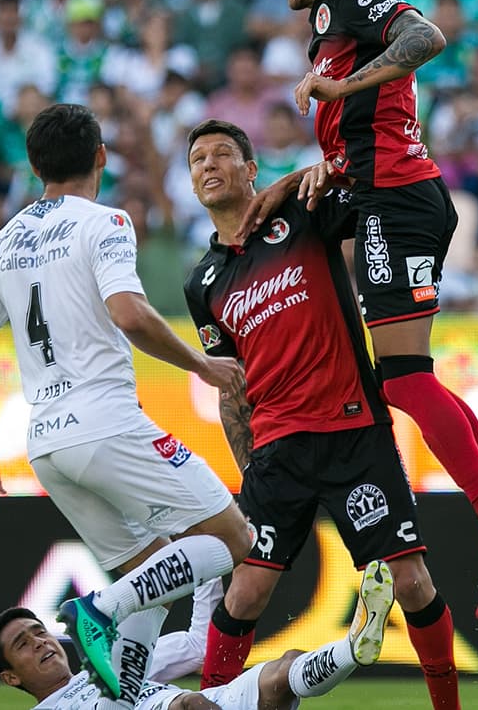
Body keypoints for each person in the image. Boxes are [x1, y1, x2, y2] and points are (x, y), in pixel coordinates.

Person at [243, 0, 478, 622]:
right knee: (403, 376)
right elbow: (368, 132)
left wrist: (340, 89)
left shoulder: (351, 1)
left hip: (395, 203)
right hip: (389, 196)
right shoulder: (329, 22)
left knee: (403, 380)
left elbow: (427, 38)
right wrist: (307, 172)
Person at [0, 104, 254, 698]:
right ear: (101, 157)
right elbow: (129, 314)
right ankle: (97, 610)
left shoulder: (3, 242)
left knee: (153, 576)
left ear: (35, 166)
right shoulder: (104, 222)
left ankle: (125, 696)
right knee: (233, 540)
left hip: (46, 445)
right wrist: (204, 365)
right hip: (105, 425)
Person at [182, 121, 463, 707]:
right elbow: (231, 386)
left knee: (411, 582)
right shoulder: (202, 282)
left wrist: (304, 178)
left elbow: (371, 181)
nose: (208, 165)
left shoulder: (303, 214)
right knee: (244, 595)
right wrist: (250, 468)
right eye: (197, 159)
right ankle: (214, 704)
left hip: (353, 428)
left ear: (250, 169)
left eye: (222, 154)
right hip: (276, 451)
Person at [0, 561, 394, 710]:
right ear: (11, 678)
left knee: (284, 669)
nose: (40, 642)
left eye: (39, 633)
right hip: (182, 708)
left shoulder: (108, 663)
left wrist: (203, 568)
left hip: (203, 706)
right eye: (23, 644)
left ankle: (354, 647)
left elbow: (198, 644)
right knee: (188, 705)